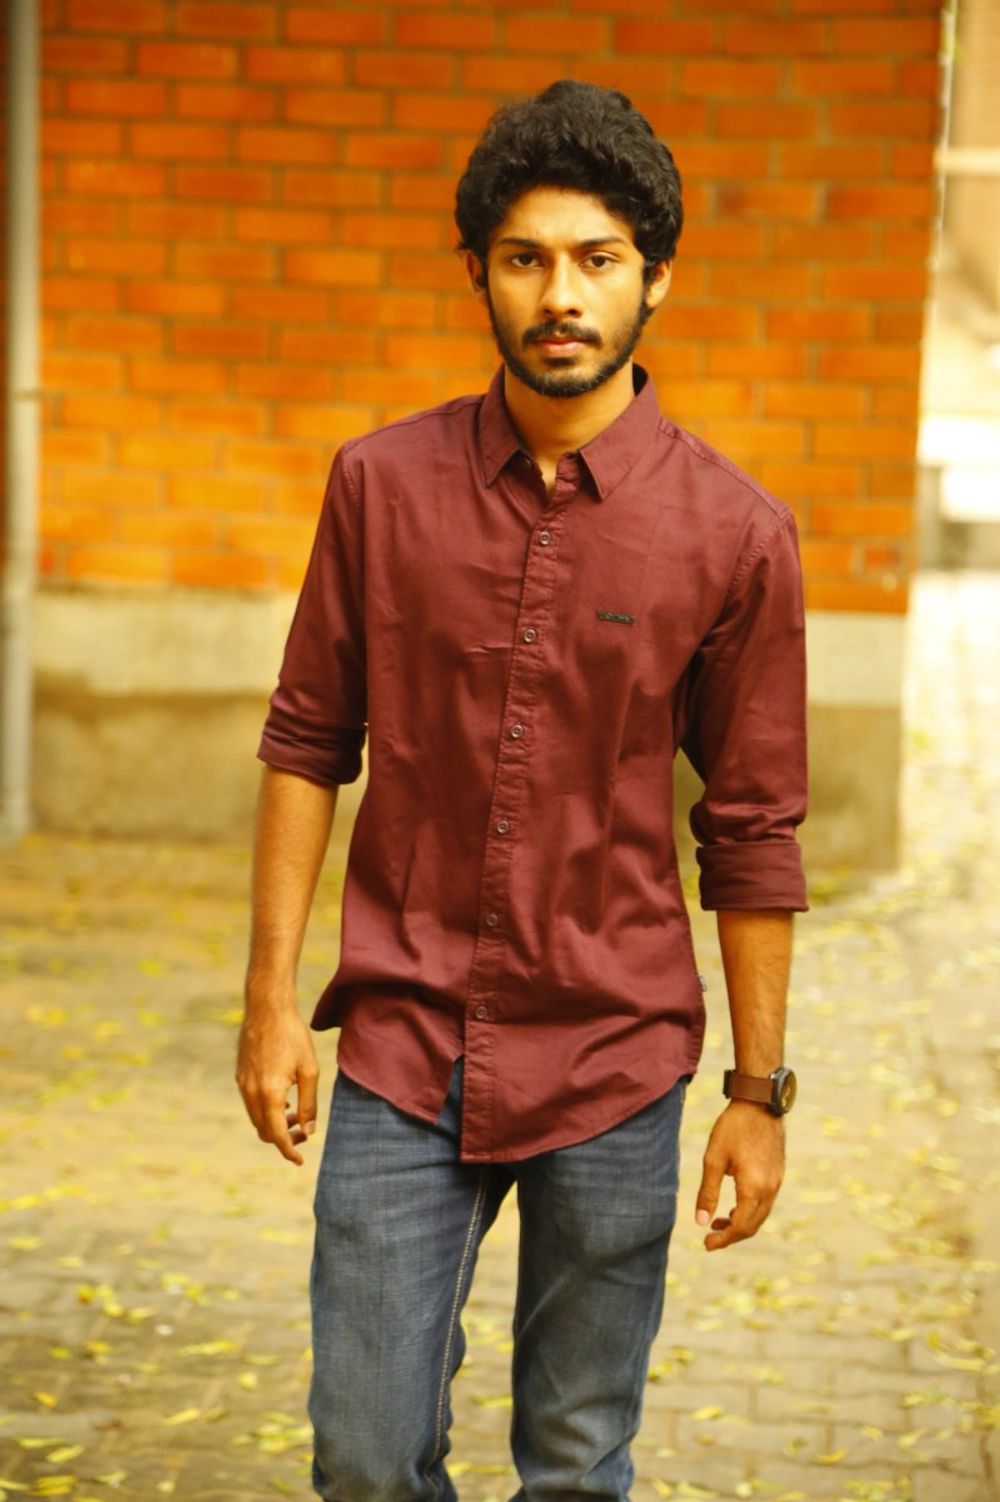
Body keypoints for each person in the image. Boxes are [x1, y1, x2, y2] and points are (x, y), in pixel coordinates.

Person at [237, 79, 807, 1502]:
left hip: (616, 1057)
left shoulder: (736, 535)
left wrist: (758, 1092)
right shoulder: (380, 487)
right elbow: (308, 741)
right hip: (403, 1042)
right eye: (526, 258)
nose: (561, 295)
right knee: (365, 1455)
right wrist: (268, 1002)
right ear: (479, 272)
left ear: (656, 278)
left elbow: (752, 829)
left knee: (572, 1462)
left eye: (598, 259)